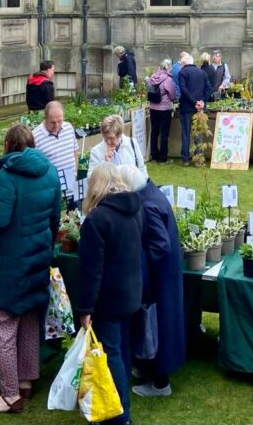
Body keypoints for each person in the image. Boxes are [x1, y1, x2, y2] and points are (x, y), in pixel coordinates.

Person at [0, 123, 61, 413]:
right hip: (36, 257)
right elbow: (55, 217)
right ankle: (25, 381)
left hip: (8, 263)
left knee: (0, 324)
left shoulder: (7, 176)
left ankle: (10, 395)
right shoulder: (49, 170)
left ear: (8, 146)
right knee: (28, 320)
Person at [76, 163, 143, 425]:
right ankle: (121, 405)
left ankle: (118, 415)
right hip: (130, 293)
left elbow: (91, 271)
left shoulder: (97, 219)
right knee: (122, 351)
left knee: (110, 354)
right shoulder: (135, 209)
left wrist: (85, 309)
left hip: (109, 299)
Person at [118, 166, 185, 398]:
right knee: (160, 324)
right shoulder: (152, 193)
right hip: (167, 275)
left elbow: (160, 245)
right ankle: (150, 370)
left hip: (159, 279)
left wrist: (141, 263)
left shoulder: (146, 204)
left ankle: (160, 383)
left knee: (157, 325)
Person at [32, 100, 78, 198]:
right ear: (45, 118)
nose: (56, 125)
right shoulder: (35, 136)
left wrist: (76, 171)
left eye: (60, 121)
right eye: (52, 122)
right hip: (52, 193)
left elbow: (74, 151)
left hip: (73, 188)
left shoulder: (69, 128)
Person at [177, 53, 212, 166]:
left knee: (186, 134)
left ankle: (185, 159)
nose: (181, 65)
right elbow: (209, 88)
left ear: (184, 63)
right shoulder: (202, 72)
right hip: (199, 109)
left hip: (187, 108)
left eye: (181, 63)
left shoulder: (182, 72)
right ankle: (198, 160)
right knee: (198, 135)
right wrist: (202, 101)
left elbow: (183, 89)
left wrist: (194, 102)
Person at [147, 60, 177, 163]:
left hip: (152, 108)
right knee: (164, 133)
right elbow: (173, 95)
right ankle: (163, 157)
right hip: (164, 109)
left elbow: (149, 89)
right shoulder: (168, 80)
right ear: (168, 68)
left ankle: (154, 155)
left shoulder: (152, 77)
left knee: (154, 132)